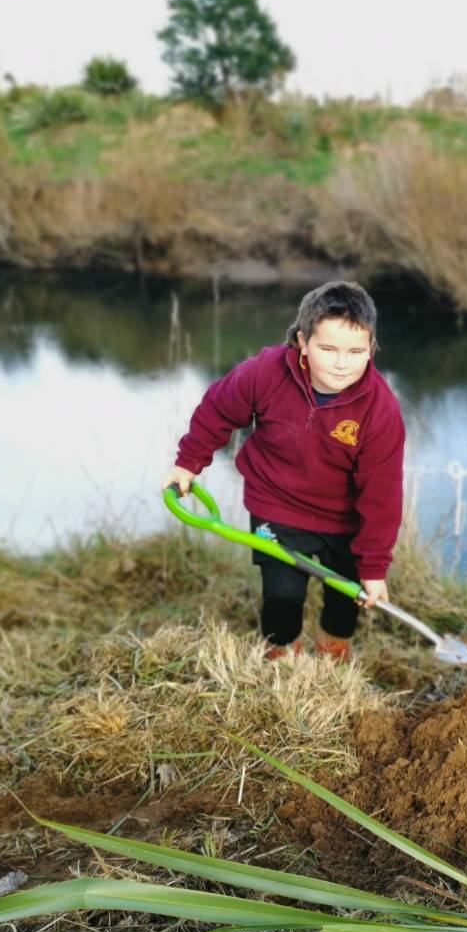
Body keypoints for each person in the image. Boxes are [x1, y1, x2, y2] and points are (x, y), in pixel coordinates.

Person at [163, 280, 405, 663]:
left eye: (356, 351)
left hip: (345, 519)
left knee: (345, 601)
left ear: (371, 348)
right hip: (276, 506)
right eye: (328, 349)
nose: (342, 363)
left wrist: (374, 567)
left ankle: (333, 649)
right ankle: (282, 654)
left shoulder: (380, 410)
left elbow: (382, 495)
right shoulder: (265, 372)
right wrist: (188, 461)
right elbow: (218, 410)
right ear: (303, 341)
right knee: (281, 597)